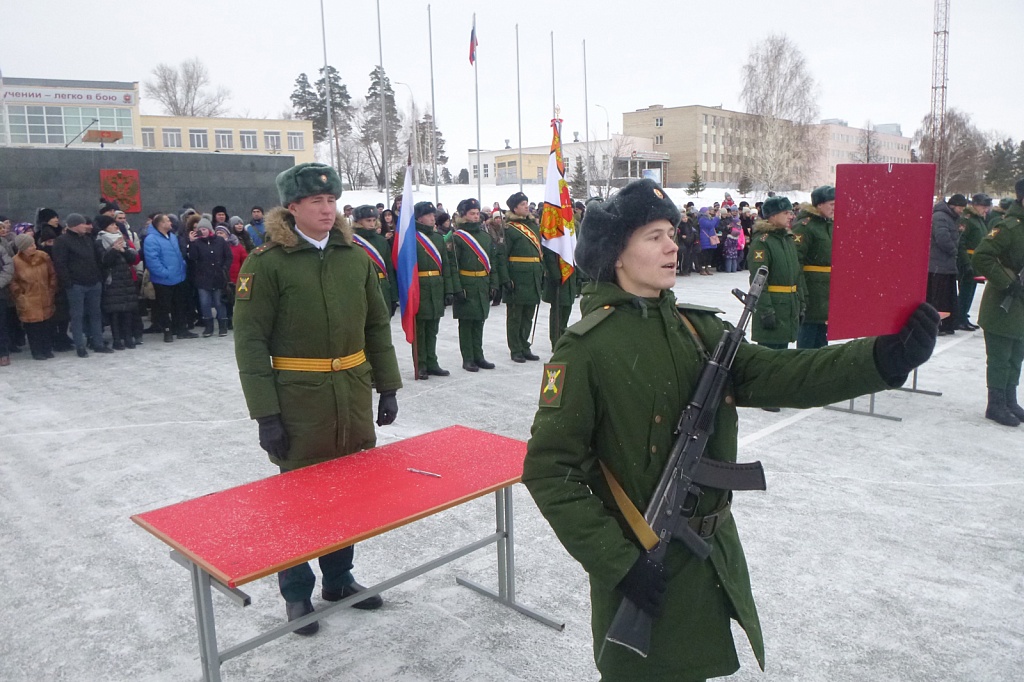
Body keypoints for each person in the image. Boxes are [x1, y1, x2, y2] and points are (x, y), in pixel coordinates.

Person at [521, 178, 939, 682]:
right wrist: (619, 564)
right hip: (641, 564)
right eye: (654, 236)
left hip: (708, 558)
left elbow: (786, 374)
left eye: (671, 232)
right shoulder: (585, 350)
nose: (673, 245)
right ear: (617, 255)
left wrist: (881, 358)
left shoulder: (698, 329)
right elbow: (551, 471)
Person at [233, 162, 402, 634]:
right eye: (315, 202)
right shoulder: (265, 264)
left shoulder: (354, 257)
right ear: (293, 208)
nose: (327, 210)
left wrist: (386, 386)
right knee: (300, 501)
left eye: (331, 201)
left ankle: (339, 579)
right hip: (299, 401)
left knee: (347, 493)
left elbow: (375, 326)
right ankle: (296, 595)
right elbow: (250, 343)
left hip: (351, 393)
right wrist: (266, 414)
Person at [972, 177, 1024, 427]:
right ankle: (995, 404)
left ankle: (1010, 401)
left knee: (1016, 356)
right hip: (1003, 304)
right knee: (1000, 356)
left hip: (1020, 307)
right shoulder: (1010, 227)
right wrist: (1009, 281)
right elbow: (982, 257)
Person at [451, 198, 505, 371]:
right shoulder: (457, 237)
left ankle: (478, 355)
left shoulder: (485, 237)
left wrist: (494, 284)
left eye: (477, 213)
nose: (476, 217)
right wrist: (457, 289)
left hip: (482, 282)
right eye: (471, 214)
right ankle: (468, 358)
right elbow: (453, 266)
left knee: (479, 321)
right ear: (463, 216)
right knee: (466, 323)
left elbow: (493, 263)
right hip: (466, 283)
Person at [52, 213, 113, 356]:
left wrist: (99, 278)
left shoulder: (87, 239)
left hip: (94, 282)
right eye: (82, 224)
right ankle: (80, 346)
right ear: (74, 226)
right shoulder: (62, 241)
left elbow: (96, 260)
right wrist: (68, 283)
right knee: (77, 316)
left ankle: (98, 343)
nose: (86, 226)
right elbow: (60, 264)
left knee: (96, 314)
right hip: (76, 285)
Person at [749, 196, 803, 353]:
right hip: (774, 307)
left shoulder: (787, 239)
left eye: (791, 212)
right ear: (772, 215)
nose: (791, 216)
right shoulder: (763, 242)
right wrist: (765, 310)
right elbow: (758, 282)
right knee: (769, 358)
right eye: (786, 213)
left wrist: (801, 302)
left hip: (788, 307)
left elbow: (797, 274)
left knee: (783, 357)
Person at [412, 201, 455, 379]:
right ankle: (420, 364)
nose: (433, 218)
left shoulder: (438, 238)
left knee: (433, 329)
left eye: (433, 215)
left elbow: (446, 266)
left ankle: (432, 361)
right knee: (420, 329)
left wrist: (448, 290)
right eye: (429, 215)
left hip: (436, 287)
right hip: (419, 287)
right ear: (419, 217)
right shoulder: (411, 238)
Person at [502, 192, 544, 362]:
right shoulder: (509, 228)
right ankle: (516, 348)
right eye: (522, 204)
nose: (527, 206)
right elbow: (503, 256)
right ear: (514, 208)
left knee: (528, 314)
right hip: (517, 277)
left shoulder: (534, 226)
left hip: (533, 275)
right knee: (515, 316)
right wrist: (506, 278)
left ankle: (525, 345)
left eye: (527, 203)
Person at [792, 185, 835, 349]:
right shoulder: (805, 226)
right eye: (831, 204)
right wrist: (801, 290)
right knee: (808, 336)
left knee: (822, 339)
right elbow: (796, 260)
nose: (834, 208)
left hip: (826, 290)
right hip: (810, 289)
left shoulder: (830, 225)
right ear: (819, 205)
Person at [144, 213, 196, 343]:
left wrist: (182, 266)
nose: (170, 223)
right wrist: (164, 273)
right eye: (167, 221)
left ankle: (181, 329)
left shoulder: (172, 236)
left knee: (179, 305)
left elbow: (178, 254)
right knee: (164, 306)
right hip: (163, 280)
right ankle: (167, 330)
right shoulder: (151, 239)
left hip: (178, 276)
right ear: (161, 224)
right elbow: (152, 260)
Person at [10, 233, 57, 360]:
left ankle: (47, 349)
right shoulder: (15, 261)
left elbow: (52, 274)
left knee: (46, 324)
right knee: (33, 328)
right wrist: (20, 294)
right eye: (30, 245)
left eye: (34, 243)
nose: (34, 246)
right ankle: (37, 351)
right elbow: (13, 280)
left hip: (45, 295)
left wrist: (51, 289)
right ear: (23, 247)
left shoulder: (43, 256)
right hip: (28, 298)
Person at [187, 218, 233, 337]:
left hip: (218, 277)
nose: (202, 232)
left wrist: (224, 268)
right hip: (203, 278)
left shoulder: (220, 241)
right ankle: (208, 327)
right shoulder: (197, 243)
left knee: (219, 302)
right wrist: (191, 242)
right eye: (200, 229)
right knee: (205, 303)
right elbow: (192, 257)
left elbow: (228, 256)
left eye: (204, 229)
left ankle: (223, 326)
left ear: (209, 229)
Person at [929, 193, 967, 335]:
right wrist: (953, 250)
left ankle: (946, 324)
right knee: (938, 298)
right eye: (960, 208)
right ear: (953, 206)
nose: (962, 211)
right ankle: (938, 325)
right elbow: (942, 238)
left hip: (945, 265)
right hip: (939, 266)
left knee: (946, 297)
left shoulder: (949, 217)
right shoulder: (940, 217)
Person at [351, 205, 398, 318]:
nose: (372, 224)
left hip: (383, 288)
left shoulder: (381, 241)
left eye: (374, 220)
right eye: (368, 220)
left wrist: (393, 297)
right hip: (362, 289)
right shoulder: (351, 240)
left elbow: (389, 269)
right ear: (358, 221)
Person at [956, 193, 990, 331]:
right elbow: (961, 243)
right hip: (967, 260)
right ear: (975, 205)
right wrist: (965, 262)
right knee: (965, 291)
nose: (985, 209)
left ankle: (964, 315)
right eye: (983, 206)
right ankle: (960, 317)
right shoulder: (967, 219)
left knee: (971, 291)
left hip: (975, 261)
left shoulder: (979, 220)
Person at [217, 224, 249, 330]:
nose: (219, 235)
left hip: (238, 277)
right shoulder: (214, 245)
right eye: (217, 233)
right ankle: (228, 320)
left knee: (238, 301)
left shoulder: (236, 245)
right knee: (226, 301)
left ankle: (239, 319)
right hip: (222, 278)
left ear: (227, 234)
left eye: (221, 233)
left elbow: (245, 260)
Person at [697, 207, 718, 275]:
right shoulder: (702, 219)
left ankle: (707, 268)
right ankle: (702, 269)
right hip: (705, 238)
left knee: (710, 255)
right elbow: (710, 225)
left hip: (711, 238)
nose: (708, 212)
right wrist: (716, 218)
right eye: (707, 211)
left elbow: (715, 225)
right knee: (704, 254)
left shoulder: (710, 218)